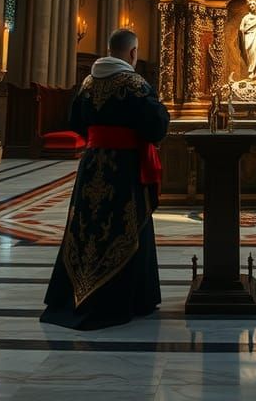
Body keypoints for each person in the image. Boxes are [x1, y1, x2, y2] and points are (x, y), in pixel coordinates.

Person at [40, 29, 170, 330]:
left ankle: (74, 293)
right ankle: (130, 298)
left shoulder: (87, 82)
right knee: (124, 225)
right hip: (123, 167)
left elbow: (75, 123)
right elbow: (157, 126)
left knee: (85, 226)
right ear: (133, 53)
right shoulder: (135, 84)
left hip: (93, 164)